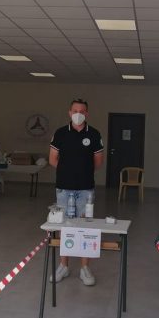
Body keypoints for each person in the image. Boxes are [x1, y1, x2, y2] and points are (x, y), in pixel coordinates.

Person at [49, 98, 104, 286]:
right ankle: (63, 266)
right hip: (64, 188)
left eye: (82, 111)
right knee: (64, 226)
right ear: (69, 112)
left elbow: (98, 162)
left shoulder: (94, 134)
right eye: (75, 111)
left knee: (85, 227)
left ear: (87, 113)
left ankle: (84, 268)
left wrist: (82, 173)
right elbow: (53, 159)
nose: (78, 114)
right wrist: (68, 172)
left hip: (85, 189)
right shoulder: (60, 133)